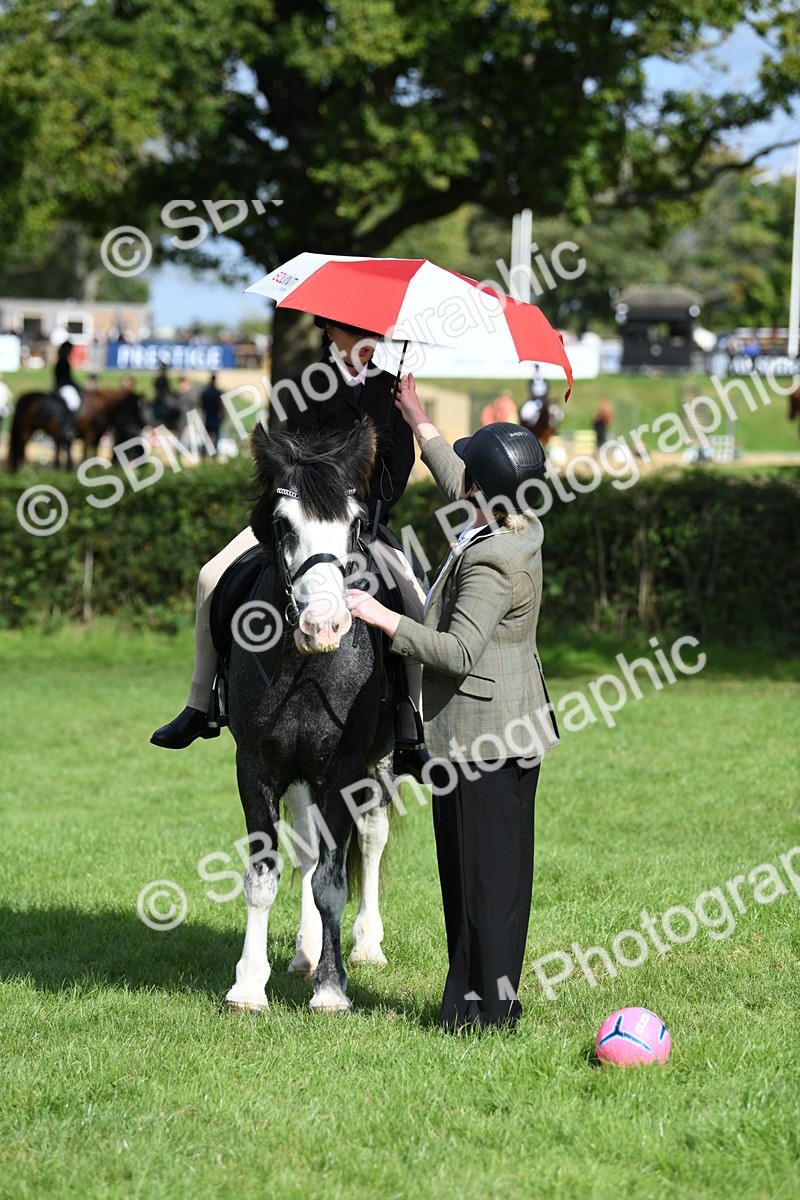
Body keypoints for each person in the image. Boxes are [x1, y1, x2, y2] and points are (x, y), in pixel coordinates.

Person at [347, 373, 560, 1032]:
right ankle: (479, 1004)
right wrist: (417, 418)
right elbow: (460, 480)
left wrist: (382, 620)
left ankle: (484, 1015)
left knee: (481, 885)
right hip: (507, 730)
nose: (461, 479)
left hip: (481, 741)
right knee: (489, 879)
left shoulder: (492, 560)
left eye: (471, 475)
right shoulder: (516, 523)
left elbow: (457, 651)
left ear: (484, 493)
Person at [151, 317, 424, 750]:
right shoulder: (306, 385)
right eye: (357, 332)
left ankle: (412, 719)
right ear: (331, 333)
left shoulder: (391, 388)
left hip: (361, 523)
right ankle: (198, 704)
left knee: (413, 597)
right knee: (209, 576)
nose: (368, 341)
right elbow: (290, 459)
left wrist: (370, 507)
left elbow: (402, 464)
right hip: (299, 521)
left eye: (373, 334)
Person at [53, 340, 83, 439]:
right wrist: (75, 385)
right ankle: (67, 427)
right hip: (63, 387)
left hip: (66, 386)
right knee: (73, 403)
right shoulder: (62, 362)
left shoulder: (64, 362)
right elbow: (65, 378)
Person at [520, 363, 549, 430]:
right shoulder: (532, 380)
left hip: (543, 400)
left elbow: (547, 390)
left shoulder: (544, 379)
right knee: (525, 412)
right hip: (534, 399)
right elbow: (530, 390)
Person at [200, 372, 224, 453]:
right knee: (216, 437)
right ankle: (214, 453)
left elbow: (201, 405)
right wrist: (222, 416)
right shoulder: (217, 392)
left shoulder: (206, 392)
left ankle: (203, 453)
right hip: (215, 418)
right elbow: (221, 406)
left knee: (206, 437)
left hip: (207, 417)